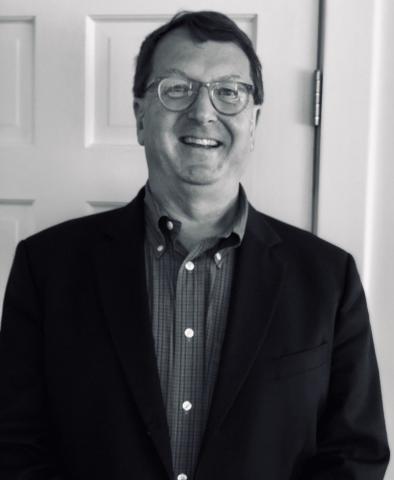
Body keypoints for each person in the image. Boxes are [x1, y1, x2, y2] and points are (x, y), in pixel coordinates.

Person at [0, 10, 390, 480]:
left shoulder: (329, 278)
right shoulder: (47, 268)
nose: (203, 112)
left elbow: (356, 455)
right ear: (141, 115)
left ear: (254, 121)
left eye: (228, 92)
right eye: (177, 88)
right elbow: (16, 447)